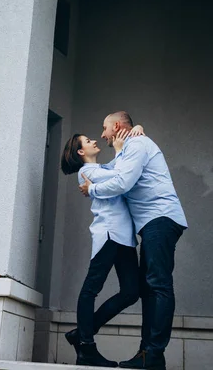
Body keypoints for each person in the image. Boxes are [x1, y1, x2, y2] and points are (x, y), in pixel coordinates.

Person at [79, 111, 187, 370]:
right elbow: (111, 171)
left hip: (159, 219)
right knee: (148, 288)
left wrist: (91, 189)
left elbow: (123, 182)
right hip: (150, 224)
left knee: (158, 285)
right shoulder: (128, 148)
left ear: (116, 126)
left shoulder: (137, 144)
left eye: (104, 128)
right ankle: (146, 354)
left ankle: (153, 355)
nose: (102, 134)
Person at [60, 126, 144, 367]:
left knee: (131, 292)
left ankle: (80, 334)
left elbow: (118, 172)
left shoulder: (100, 168)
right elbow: (122, 179)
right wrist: (119, 151)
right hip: (108, 233)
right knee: (91, 289)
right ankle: (86, 347)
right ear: (80, 152)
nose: (94, 140)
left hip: (124, 238)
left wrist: (135, 129)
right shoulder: (87, 172)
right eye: (88, 140)